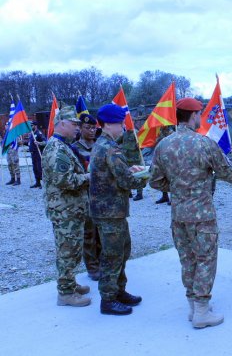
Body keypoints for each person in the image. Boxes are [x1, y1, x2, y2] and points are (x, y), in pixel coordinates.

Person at [149, 97, 232, 329]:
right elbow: (226, 172)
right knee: (205, 259)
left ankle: (193, 306)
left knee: (187, 259)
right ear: (193, 116)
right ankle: (202, 310)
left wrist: (176, 186)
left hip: (178, 214)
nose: (200, 117)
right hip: (202, 214)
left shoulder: (163, 145)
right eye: (199, 114)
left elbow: (154, 181)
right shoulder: (204, 143)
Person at [89, 104, 147, 316]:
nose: (123, 127)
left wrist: (129, 169)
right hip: (110, 211)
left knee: (122, 250)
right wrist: (145, 176)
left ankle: (119, 291)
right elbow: (125, 180)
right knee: (113, 255)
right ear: (108, 124)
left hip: (109, 211)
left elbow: (113, 173)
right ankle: (108, 299)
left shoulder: (102, 145)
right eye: (120, 123)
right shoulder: (111, 148)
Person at [42, 106, 91, 307]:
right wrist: (90, 177)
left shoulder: (63, 146)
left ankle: (70, 282)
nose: (77, 129)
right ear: (61, 124)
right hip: (65, 210)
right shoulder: (56, 149)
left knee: (73, 249)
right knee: (67, 250)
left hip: (71, 209)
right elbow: (66, 181)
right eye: (74, 124)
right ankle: (65, 292)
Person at [73, 113, 101, 281]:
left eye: (93, 127)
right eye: (87, 128)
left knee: (102, 231)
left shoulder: (99, 146)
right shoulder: (74, 148)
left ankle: (102, 261)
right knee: (89, 233)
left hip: (102, 195)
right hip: (85, 195)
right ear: (80, 128)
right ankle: (92, 266)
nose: (91, 131)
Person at [119, 128, 144, 201]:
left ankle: (139, 193)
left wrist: (138, 146)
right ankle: (129, 192)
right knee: (127, 174)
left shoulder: (136, 133)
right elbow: (117, 141)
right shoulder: (124, 133)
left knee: (138, 175)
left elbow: (141, 145)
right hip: (126, 158)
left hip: (135, 158)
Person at [29, 121, 46, 188]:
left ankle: (44, 183)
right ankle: (38, 183)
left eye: (32, 125)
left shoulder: (39, 133)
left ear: (35, 126)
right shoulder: (32, 133)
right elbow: (31, 143)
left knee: (40, 168)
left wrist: (39, 143)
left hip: (38, 154)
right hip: (33, 154)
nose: (30, 127)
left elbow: (45, 142)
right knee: (35, 168)